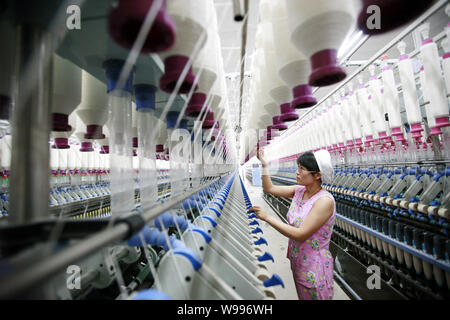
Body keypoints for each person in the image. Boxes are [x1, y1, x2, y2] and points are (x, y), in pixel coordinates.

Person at [250, 148, 336, 300]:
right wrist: (264, 165)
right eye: (298, 167)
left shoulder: (324, 201)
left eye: (302, 169)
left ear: (317, 175)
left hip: (314, 267)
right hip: (298, 262)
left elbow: (300, 234)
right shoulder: (299, 191)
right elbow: (269, 188)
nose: (297, 172)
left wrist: (268, 217)